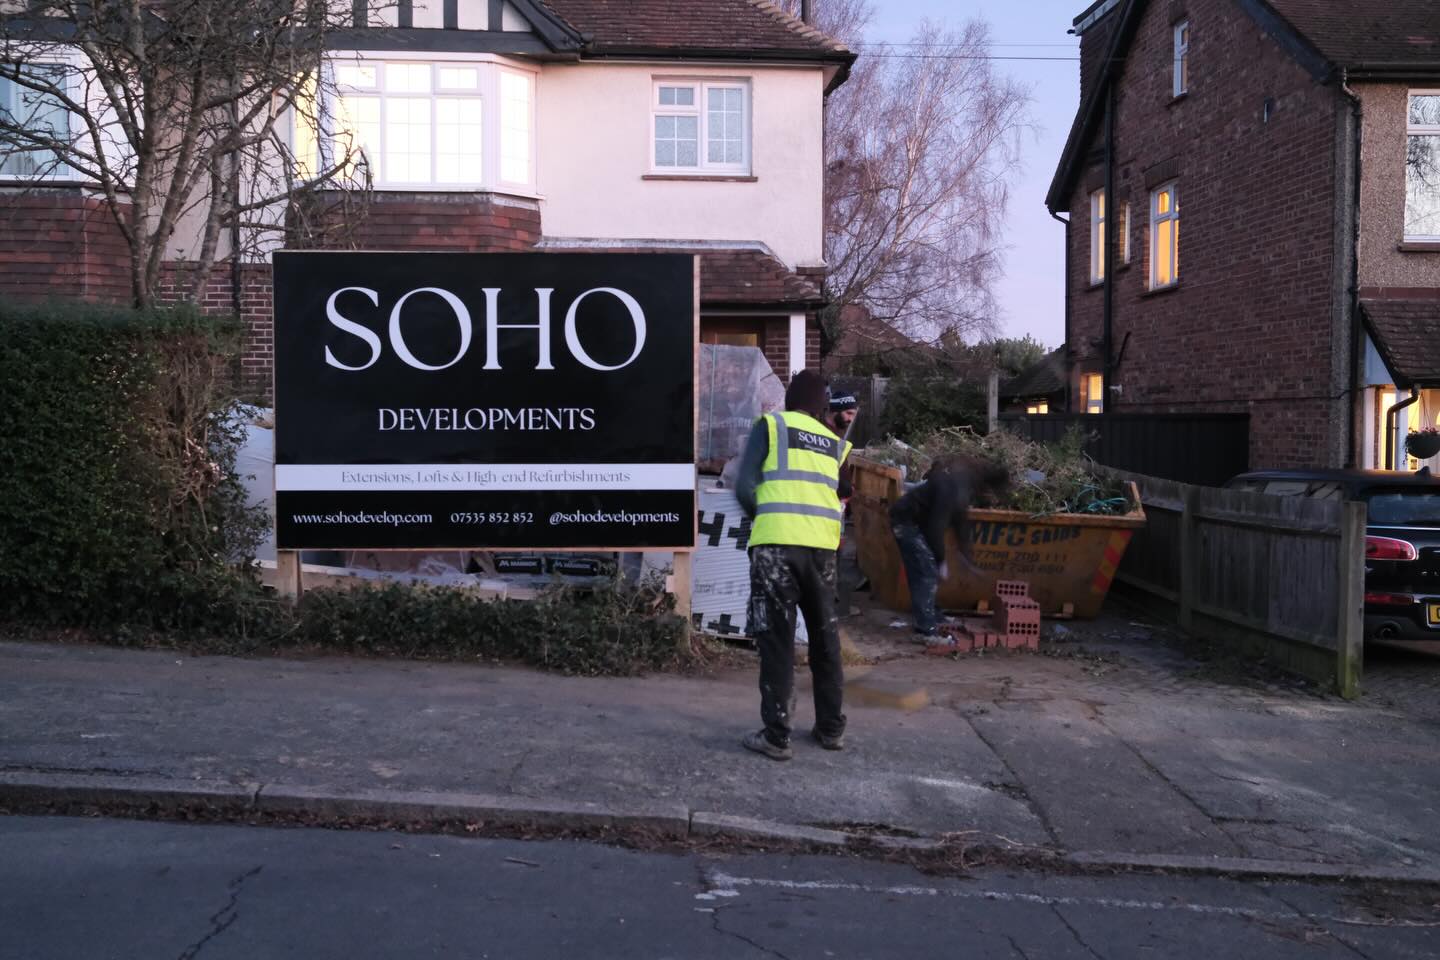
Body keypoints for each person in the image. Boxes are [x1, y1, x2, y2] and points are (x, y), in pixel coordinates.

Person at [734, 369, 853, 760]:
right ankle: (831, 729)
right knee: (825, 641)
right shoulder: (836, 443)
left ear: (789, 399)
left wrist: (765, 515)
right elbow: (843, 492)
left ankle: (777, 735)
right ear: (823, 406)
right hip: (822, 552)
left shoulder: (772, 426)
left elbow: (743, 484)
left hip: (777, 548)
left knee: (777, 641)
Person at [889, 456, 1010, 639]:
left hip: (917, 521)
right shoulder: (954, 486)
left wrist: (967, 557)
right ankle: (926, 629)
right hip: (905, 521)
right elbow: (935, 527)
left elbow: (960, 521)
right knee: (926, 569)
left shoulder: (964, 482)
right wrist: (941, 559)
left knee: (925, 569)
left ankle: (932, 614)